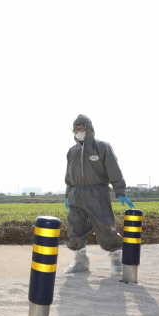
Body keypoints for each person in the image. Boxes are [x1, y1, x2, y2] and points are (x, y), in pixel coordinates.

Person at [64, 114, 134, 275]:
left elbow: (113, 170)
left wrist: (120, 191)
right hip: (77, 194)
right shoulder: (72, 151)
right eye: (75, 130)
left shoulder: (102, 147)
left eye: (81, 129)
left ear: (89, 129)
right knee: (75, 226)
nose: (78, 132)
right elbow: (68, 177)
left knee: (104, 225)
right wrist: (68, 195)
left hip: (98, 193)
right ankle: (80, 261)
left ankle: (116, 258)